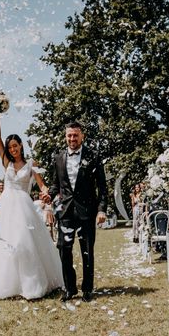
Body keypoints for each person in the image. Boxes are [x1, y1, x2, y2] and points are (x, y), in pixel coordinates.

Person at [0, 106, 63, 300]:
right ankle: (10, 284)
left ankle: (32, 284)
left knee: (24, 243)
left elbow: (42, 185)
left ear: (21, 146)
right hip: (6, 207)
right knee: (7, 244)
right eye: (10, 147)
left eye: (15, 146)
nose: (12, 149)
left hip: (24, 207)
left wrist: (46, 194)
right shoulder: (6, 163)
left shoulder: (31, 164)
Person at [43, 122, 108, 302]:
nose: (72, 139)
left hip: (87, 211)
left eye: (75, 135)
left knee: (87, 250)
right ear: (66, 137)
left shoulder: (93, 157)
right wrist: (49, 195)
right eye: (69, 135)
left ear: (82, 136)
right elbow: (57, 184)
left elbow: (102, 188)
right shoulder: (58, 157)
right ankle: (70, 288)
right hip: (65, 212)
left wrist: (101, 210)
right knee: (64, 249)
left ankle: (87, 288)